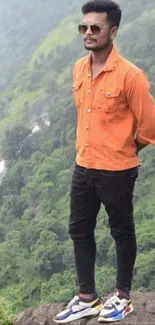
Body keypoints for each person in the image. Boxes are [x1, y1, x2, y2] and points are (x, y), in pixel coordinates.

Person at [54, 0, 155, 323]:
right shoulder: (79, 68)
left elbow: (150, 126)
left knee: (121, 232)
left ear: (113, 30)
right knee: (79, 229)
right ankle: (87, 298)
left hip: (117, 170)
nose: (88, 33)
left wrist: (125, 148)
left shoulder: (131, 75)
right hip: (83, 165)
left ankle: (122, 296)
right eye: (84, 27)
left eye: (95, 27)